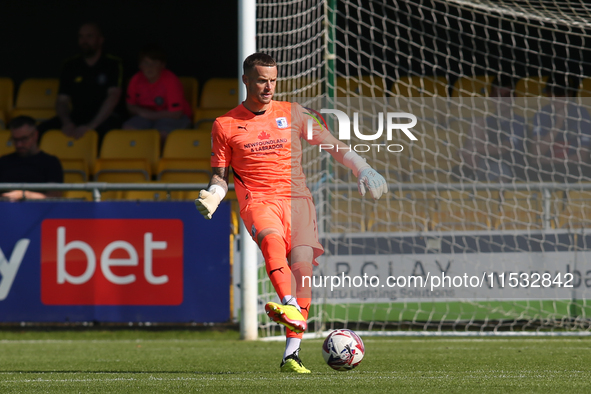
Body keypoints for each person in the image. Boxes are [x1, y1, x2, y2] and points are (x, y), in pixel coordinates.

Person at [194, 53, 388, 373]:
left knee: (302, 273)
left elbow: (333, 144)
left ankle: (291, 356)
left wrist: (363, 168)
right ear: (245, 80)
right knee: (271, 244)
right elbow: (219, 174)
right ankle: (289, 307)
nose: (268, 86)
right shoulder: (225, 124)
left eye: (273, 80)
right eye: (261, 80)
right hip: (259, 200)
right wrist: (215, 195)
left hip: (299, 202)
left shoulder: (295, 113)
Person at [38, 22, 123, 144]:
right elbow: (62, 100)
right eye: (81, 36)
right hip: (76, 116)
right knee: (40, 131)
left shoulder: (113, 63)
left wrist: (91, 125)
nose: (84, 40)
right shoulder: (70, 65)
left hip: (104, 118)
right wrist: (67, 123)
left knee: (109, 136)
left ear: (100, 39)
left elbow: (113, 96)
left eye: (89, 36)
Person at [457, 75, 527, 181]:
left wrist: (472, 150)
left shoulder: (519, 122)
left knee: (501, 173)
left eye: (507, 95)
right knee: (477, 122)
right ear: (491, 96)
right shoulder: (485, 122)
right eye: (497, 95)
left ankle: (470, 178)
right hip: (484, 164)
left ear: (514, 97)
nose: (501, 99)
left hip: (510, 167)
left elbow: (503, 149)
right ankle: (470, 174)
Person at [123, 44, 192, 147]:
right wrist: (145, 114)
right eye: (145, 63)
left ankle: (158, 161)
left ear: (162, 65)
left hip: (174, 118)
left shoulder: (170, 80)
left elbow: (176, 113)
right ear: (140, 65)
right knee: (127, 129)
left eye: (154, 63)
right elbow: (130, 105)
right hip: (146, 117)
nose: (149, 67)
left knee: (161, 135)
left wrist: (149, 115)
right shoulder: (136, 79)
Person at [528, 72, 591, 183]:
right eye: (554, 93)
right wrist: (558, 125)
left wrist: (547, 161)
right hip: (546, 170)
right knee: (531, 172)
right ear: (547, 93)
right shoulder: (541, 114)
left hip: (571, 170)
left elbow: (583, 157)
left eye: (562, 93)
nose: (558, 98)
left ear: (570, 94)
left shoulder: (581, 114)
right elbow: (536, 153)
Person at [0, 116, 63, 201]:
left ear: (35, 135)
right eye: (15, 140)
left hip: (40, 211)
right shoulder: (3, 162)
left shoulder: (51, 162)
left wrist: (25, 195)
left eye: (24, 139)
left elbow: (55, 196)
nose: (19, 145)